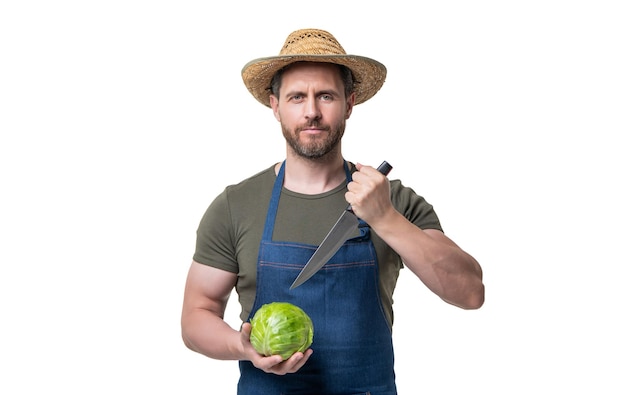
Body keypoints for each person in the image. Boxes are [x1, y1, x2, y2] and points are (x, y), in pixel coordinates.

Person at [181, 28, 485, 395]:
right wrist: (242, 346)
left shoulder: (392, 200)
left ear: (350, 103)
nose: (311, 112)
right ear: (275, 106)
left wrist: (385, 218)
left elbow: (470, 292)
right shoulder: (236, 205)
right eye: (297, 97)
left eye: (325, 95)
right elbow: (197, 315)